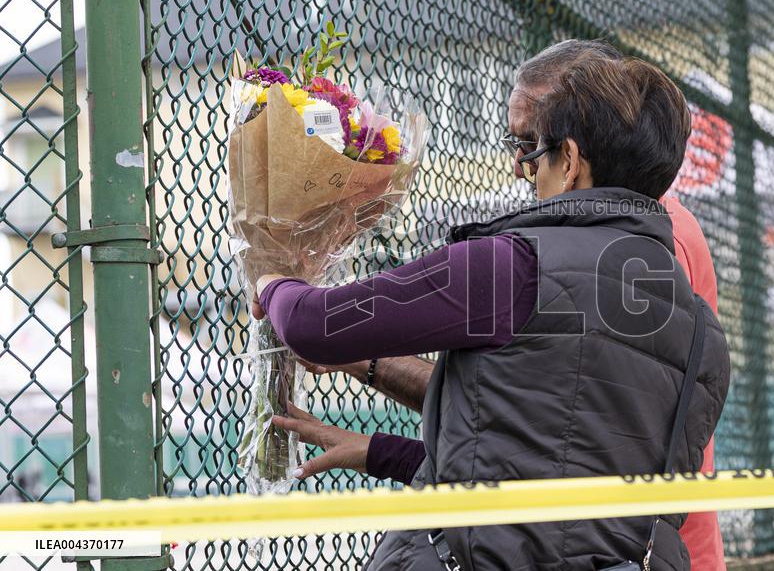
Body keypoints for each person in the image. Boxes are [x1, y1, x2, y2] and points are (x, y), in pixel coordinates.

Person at [256, 48, 731, 569]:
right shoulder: (701, 331)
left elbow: (314, 324)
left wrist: (271, 276)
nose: (522, 169)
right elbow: (553, 482)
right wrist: (379, 450)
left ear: (569, 161)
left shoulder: (513, 265)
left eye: (531, 152)